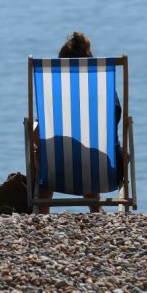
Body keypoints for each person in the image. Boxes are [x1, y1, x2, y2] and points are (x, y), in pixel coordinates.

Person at [35, 31, 123, 214]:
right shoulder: (105, 92)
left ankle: (41, 212)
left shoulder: (55, 94)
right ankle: (96, 209)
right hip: (103, 170)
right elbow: (112, 127)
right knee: (87, 152)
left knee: (51, 152)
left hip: (56, 168)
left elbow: (38, 133)